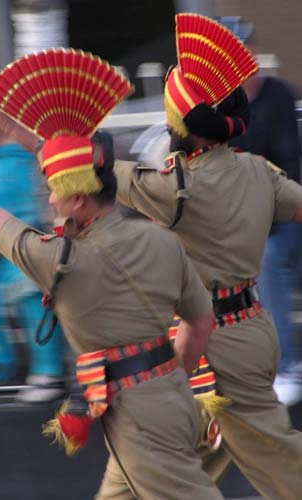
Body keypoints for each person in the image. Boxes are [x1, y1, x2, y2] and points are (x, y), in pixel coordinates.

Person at [0, 48, 225, 500]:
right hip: (171, 395)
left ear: (80, 200)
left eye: (55, 193)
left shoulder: (59, 260)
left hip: (136, 417)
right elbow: (199, 322)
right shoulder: (163, 240)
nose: (49, 201)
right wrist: (169, 382)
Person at [114, 13, 302, 500]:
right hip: (255, 329)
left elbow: (101, 177)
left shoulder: (177, 188)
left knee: (272, 462)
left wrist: (58, 146)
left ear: (182, 125)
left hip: (210, 345)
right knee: (178, 455)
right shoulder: (258, 172)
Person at [0, 78, 65, 401]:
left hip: (18, 251)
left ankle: (48, 373)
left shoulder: (24, 158)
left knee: (29, 281)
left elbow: (35, 217)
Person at [230, 47, 302, 407]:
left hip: (286, 208)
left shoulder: (278, 95)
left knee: (270, 257)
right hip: (244, 217)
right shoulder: (221, 107)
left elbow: (290, 163)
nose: (248, 73)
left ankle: (288, 366)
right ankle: (271, 365)